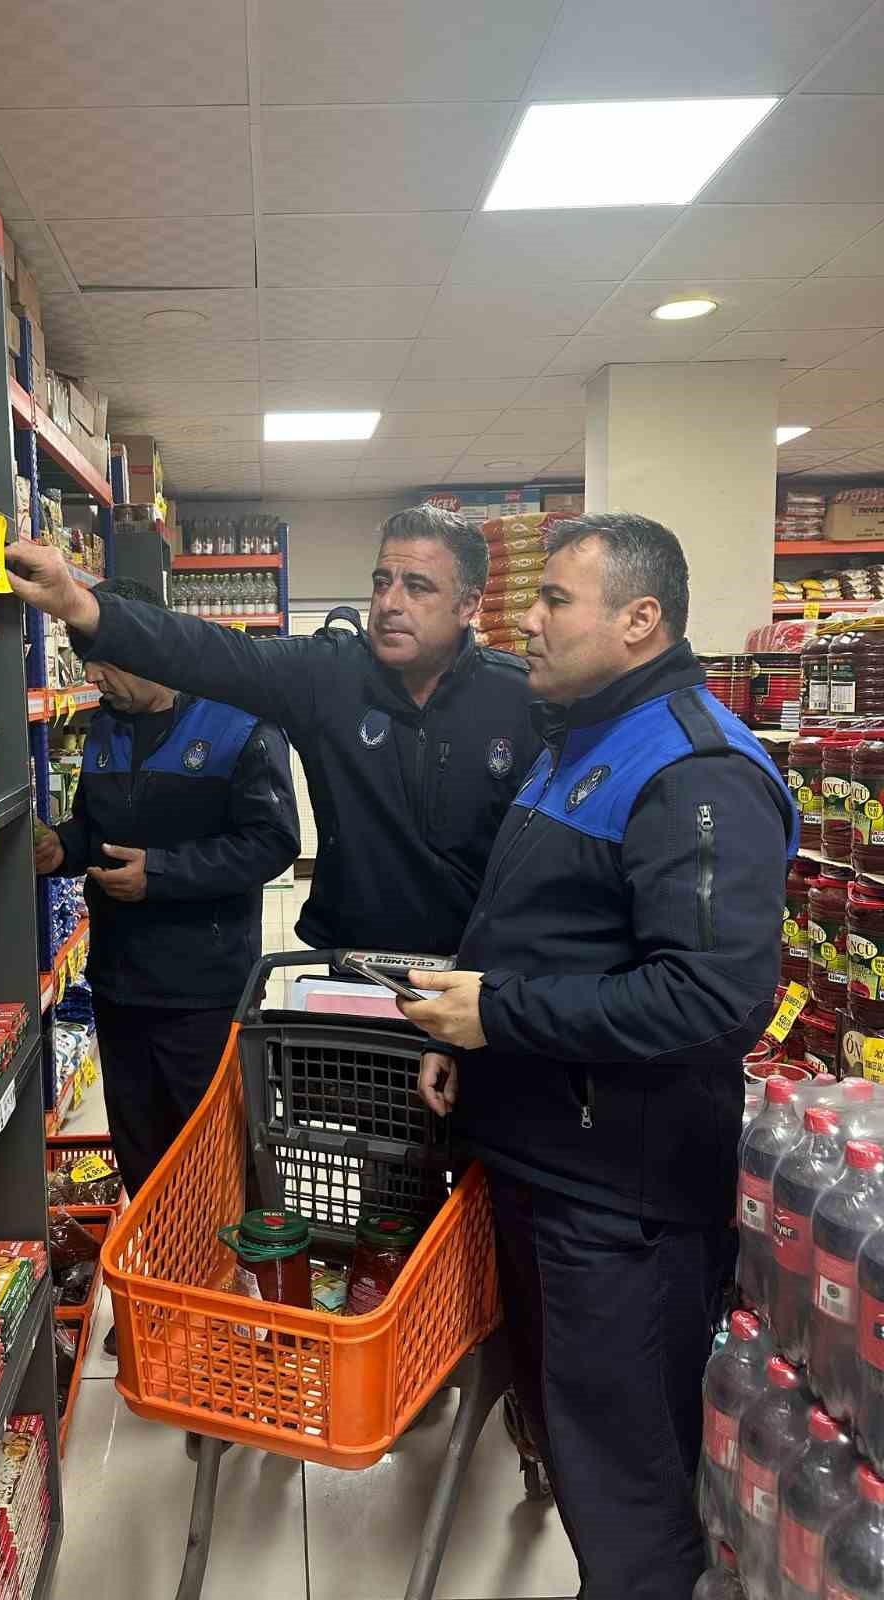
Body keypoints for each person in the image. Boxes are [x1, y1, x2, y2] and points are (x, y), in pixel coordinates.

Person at [400, 513, 798, 1600]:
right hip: (547, 1169)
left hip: (619, 1201)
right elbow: (552, 935)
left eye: (554, 601)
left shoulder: (696, 768)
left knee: (628, 1492)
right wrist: (468, 1042)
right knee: (577, 1447)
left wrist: (503, 1016)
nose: (525, 618)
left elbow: (713, 995)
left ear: (639, 619)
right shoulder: (577, 739)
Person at [7, 504, 539, 960]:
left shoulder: (522, 700)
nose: (390, 603)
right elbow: (209, 654)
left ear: (469, 604)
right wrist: (79, 605)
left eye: (417, 586)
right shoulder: (329, 675)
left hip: (473, 974)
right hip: (354, 964)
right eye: (383, 582)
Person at [39, 575, 299, 1243]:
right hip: (121, 983)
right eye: (85, 659)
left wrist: (160, 874)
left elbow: (272, 842)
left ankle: (230, 1284)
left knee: (211, 1152)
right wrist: (60, 848)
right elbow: (92, 827)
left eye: (104, 658)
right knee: (142, 1148)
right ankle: (162, 1270)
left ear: (148, 642)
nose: (94, 675)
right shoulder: (104, 728)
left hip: (203, 988)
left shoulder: (238, 721)